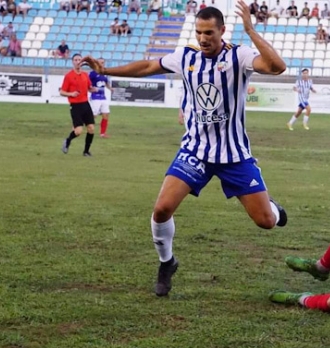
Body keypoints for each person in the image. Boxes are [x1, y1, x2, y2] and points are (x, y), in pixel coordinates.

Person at [81, 2, 288, 297]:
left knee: (266, 222)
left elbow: (277, 67)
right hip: (195, 151)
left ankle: (273, 209)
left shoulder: (238, 55)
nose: (203, 38)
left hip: (234, 155)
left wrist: (251, 30)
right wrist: (107, 70)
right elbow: (148, 66)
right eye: (199, 32)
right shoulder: (186, 56)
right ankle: (167, 263)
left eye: (209, 33)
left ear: (222, 31)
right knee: (162, 209)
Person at [60, 54, 98, 157]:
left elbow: (89, 87)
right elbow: (62, 92)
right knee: (78, 131)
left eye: (79, 60)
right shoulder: (69, 76)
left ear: (82, 62)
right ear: (72, 62)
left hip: (85, 104)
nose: (77, 62)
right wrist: (71, 94)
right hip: (75, 106)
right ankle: (67, 141)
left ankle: (86, 151)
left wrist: (93, 89)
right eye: (75, 60)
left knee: (91, 128)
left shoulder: (85, 75)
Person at [89, 59, 113, 138]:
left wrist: (110, 89)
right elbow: (87, 83)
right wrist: (91, 88)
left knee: (106, 114)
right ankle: (79, 125)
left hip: (103, 97)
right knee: (93, 116)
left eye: (103, 63)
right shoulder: (92, 74)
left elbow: (106, 83)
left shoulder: (104, 74)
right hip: (95, 97)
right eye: (100, 63)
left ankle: (102, 134)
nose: (101, 64)